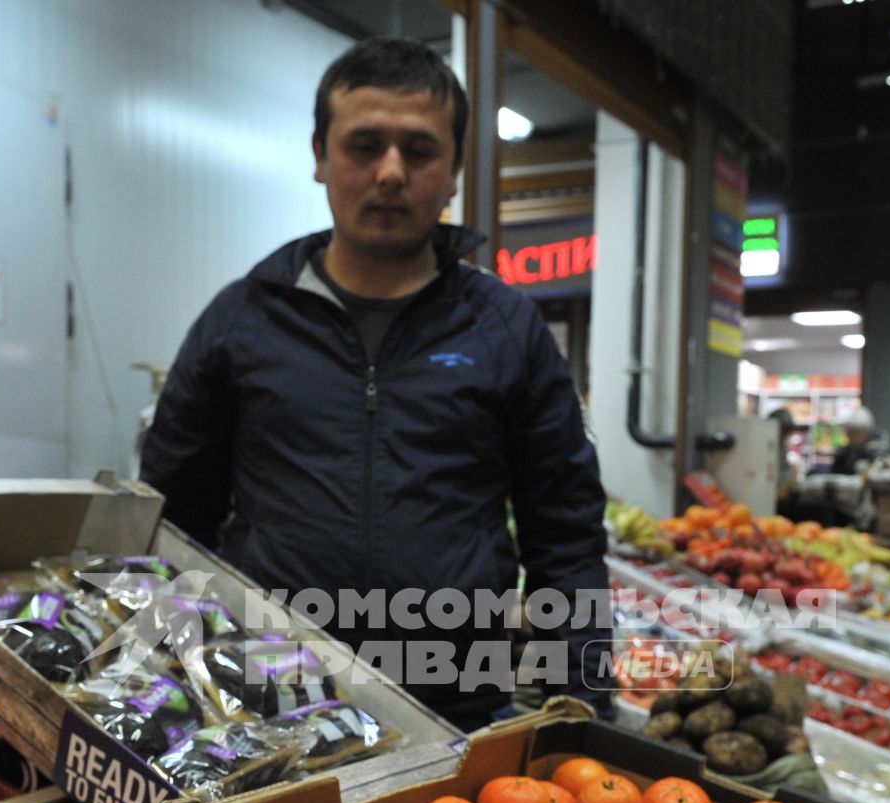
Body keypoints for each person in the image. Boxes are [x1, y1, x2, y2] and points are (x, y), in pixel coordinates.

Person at [139, 37, 609, 731]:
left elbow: (565, 536)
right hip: (263, 713)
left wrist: (581, 706)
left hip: (454, 711)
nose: (391, 172)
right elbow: (172, 521)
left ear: (453, 172)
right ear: (320, 157)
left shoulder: (506, 329)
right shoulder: (243, 321)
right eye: (364, 146)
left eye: (419, 151)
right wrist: (168, 670)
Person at [829, 406, 889, 476]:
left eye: (855, 434)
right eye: (849, 433)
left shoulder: (877, 455)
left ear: (867, 434)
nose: (850, 437)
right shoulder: (843, 454)